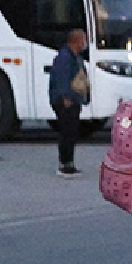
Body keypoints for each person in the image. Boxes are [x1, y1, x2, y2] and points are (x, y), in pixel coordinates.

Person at [47, 28, 88, 177]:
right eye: (83, 39)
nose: (85, 43)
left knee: (72, 130)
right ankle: (65, 164)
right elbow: (62, 78)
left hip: (74, 98)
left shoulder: (75, 57)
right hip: (65, 100)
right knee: (67, 130)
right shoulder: (64, 57)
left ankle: (69, 162)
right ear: (75, 40)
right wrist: (66, 97)